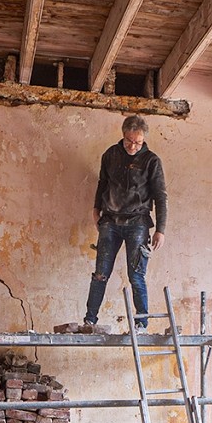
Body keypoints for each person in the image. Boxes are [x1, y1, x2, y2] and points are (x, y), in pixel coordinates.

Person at [83, 115, 167, 330]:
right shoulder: (110, 155)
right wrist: (96, 210)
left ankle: (141, 325)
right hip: (110, 221)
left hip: (138, 223)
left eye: (138, 142)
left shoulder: (151, 160)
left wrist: (160, 229)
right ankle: (89, 320)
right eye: (130, 140)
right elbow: (102, 183)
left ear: (143, 139)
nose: (133, 146)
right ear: (123, 135)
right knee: (100, 274)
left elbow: (160, 196)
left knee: (136, 276)